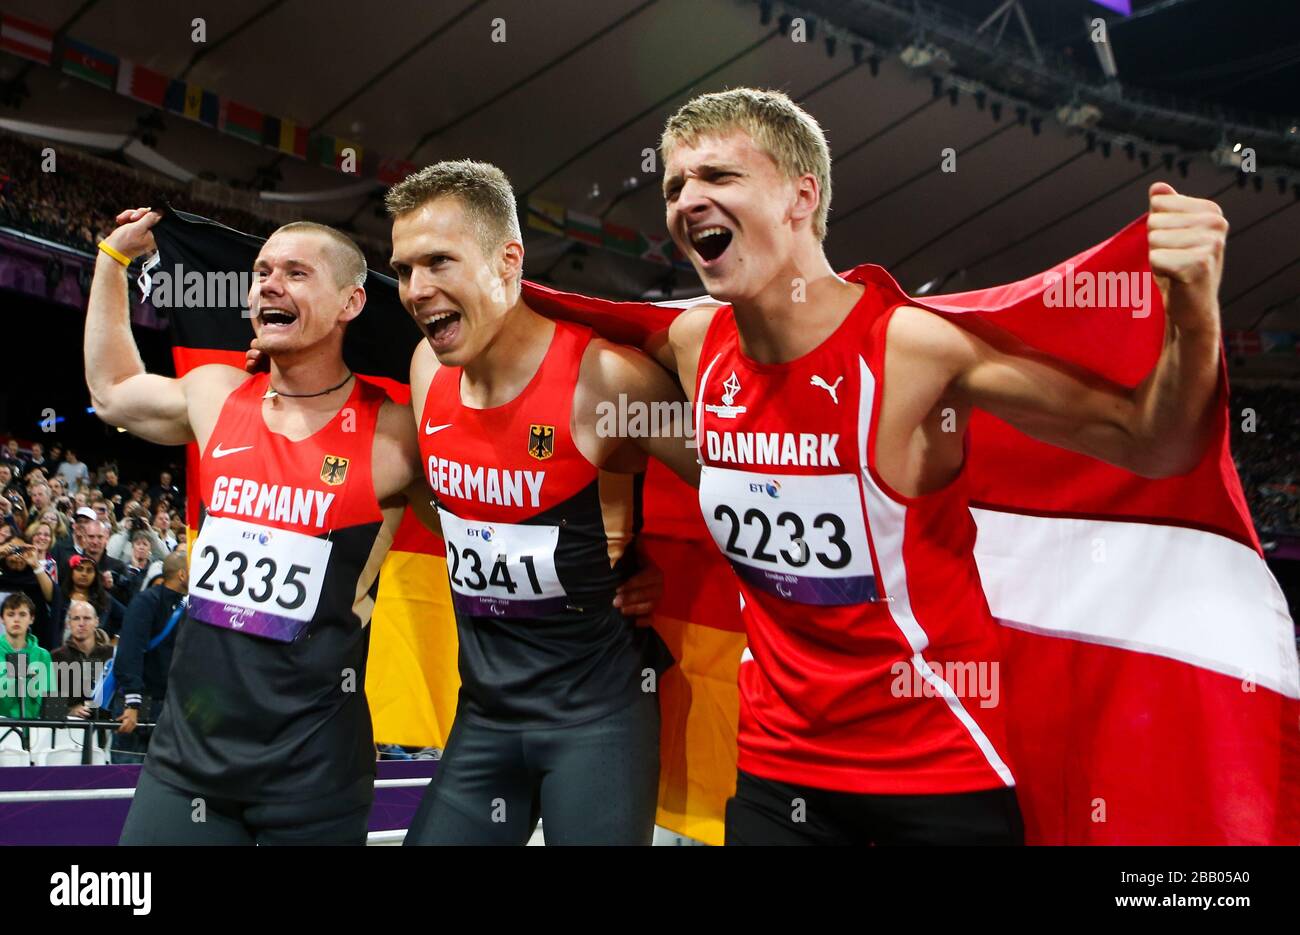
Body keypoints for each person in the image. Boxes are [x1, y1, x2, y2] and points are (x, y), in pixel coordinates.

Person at [652, 88, 1225, 845]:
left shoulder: (910, 349)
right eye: (674, 185)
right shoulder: (697, 348)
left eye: (718, 177)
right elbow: (574, 405)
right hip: (777, 770)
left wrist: (1193, 309)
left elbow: (1153, 441)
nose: (689, 200)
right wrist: (616, 555)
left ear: (801, 196)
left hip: (934, 772)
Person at [89, 206, 653, 844]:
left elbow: (497, 517)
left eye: (296, 274)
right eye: (262, 273)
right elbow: (112, 392)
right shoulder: (214, 395)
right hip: (185, 765)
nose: (269, 285)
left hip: (312, 776)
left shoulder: (397, 436)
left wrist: (627, 559)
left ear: (351, 302)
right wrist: (112, 262)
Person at [387, 161, 694, 846]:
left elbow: (745, 483)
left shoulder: (605, 381)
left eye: (439, 261)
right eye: (404, 268)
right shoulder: (426, 369)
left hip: (599, 722)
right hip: (485, 719)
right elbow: (463, 517)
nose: (417, 289)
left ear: (508, 260)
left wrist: (669, 575)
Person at [109, 551, 188, 765]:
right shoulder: (146, 601)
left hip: (170, 705)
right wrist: (132, 703)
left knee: (165, 777)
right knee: (126, 777)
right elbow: (130, 651)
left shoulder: (191, 607)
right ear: (182, 574)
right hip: (140, 702)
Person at [50, 599, 112, 718]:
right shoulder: (56, 657)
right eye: (76, 618)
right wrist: (69, 711)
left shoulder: (111, 655)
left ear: (96, 622)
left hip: (104, 728)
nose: (81, 623)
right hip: (66, 729)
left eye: (87, 618)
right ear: (68, 623)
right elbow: (48, 701)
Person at [0, 593, 53, 730]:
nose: (16, 619)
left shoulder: (43, 655)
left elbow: (50, 698)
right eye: (11, 614)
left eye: (22, 614)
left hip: (35, 734)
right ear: (2, 619)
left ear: (32, 619)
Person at [0, 537, 56, 650]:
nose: (17, 555)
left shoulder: (35, 579)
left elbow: (52, 596)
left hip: (29, 649)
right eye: (12, 550)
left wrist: (35, 564)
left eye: (21, 550)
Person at [58, 554, 125, 638]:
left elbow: (128, 617)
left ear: (95, 575)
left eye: (89, 570)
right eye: (79, 569)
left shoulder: (103, 598)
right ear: (72, 572)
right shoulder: (59, 594)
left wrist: (116, 638)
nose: (84, 574)